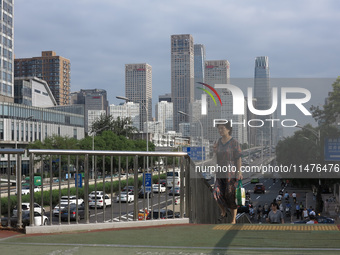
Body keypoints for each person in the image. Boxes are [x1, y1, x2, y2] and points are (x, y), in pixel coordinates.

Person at [213, 122, 243, 224]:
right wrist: (215, 150)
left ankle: (233, 219)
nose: (220, 130)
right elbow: (216, 157)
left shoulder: (234, 142)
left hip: (231, 172)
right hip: (220, 171)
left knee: (230, 195)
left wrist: (239, 172)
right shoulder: (218, 142)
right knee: (216, 193)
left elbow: (238, 158)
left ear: (228, 129)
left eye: (222, 128)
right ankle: (223, 211)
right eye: (219, 129)